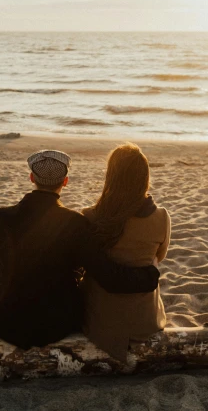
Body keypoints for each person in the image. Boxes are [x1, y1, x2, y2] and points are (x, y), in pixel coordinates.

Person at [0, 149, 160, 350]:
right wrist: (150, 275)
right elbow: (109, 277)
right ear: (65, 181)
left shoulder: (2, 217)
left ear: (31, 178)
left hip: (3, 322)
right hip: (54, 326)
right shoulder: (75, 223)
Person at [81, 143, 170, 362]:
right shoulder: (161, 217)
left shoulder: (90, 217)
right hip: (145, 321)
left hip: (100, 323)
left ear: (111, 176)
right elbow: (159, 257)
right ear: (144, 178)